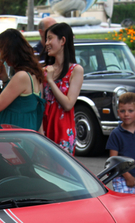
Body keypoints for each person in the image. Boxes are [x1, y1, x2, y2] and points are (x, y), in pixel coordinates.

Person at [0, 28, 45, 132]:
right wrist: (5, 78)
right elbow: (18, 102)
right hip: (23, 137)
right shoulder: (33, 74)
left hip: (13, 140)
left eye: (1, 49)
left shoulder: (21, 76)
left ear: (9, 51)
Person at [43, 23, 84, 155]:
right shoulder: (45, 70)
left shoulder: (76, 70)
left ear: (63, 40)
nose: (46, 43)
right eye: (46, 39)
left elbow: (68, 104)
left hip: (63, 130)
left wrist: (50, 81)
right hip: (43, 128)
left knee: (61, 173)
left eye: (50, 38)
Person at [105, 92, 135, 195]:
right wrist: (127, 176)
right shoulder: (116, 134)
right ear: (118, 112)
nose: (126, 114)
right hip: (121, 177)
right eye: (122, 111)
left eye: (130, 111)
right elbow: (114, 161)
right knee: (123, 206)